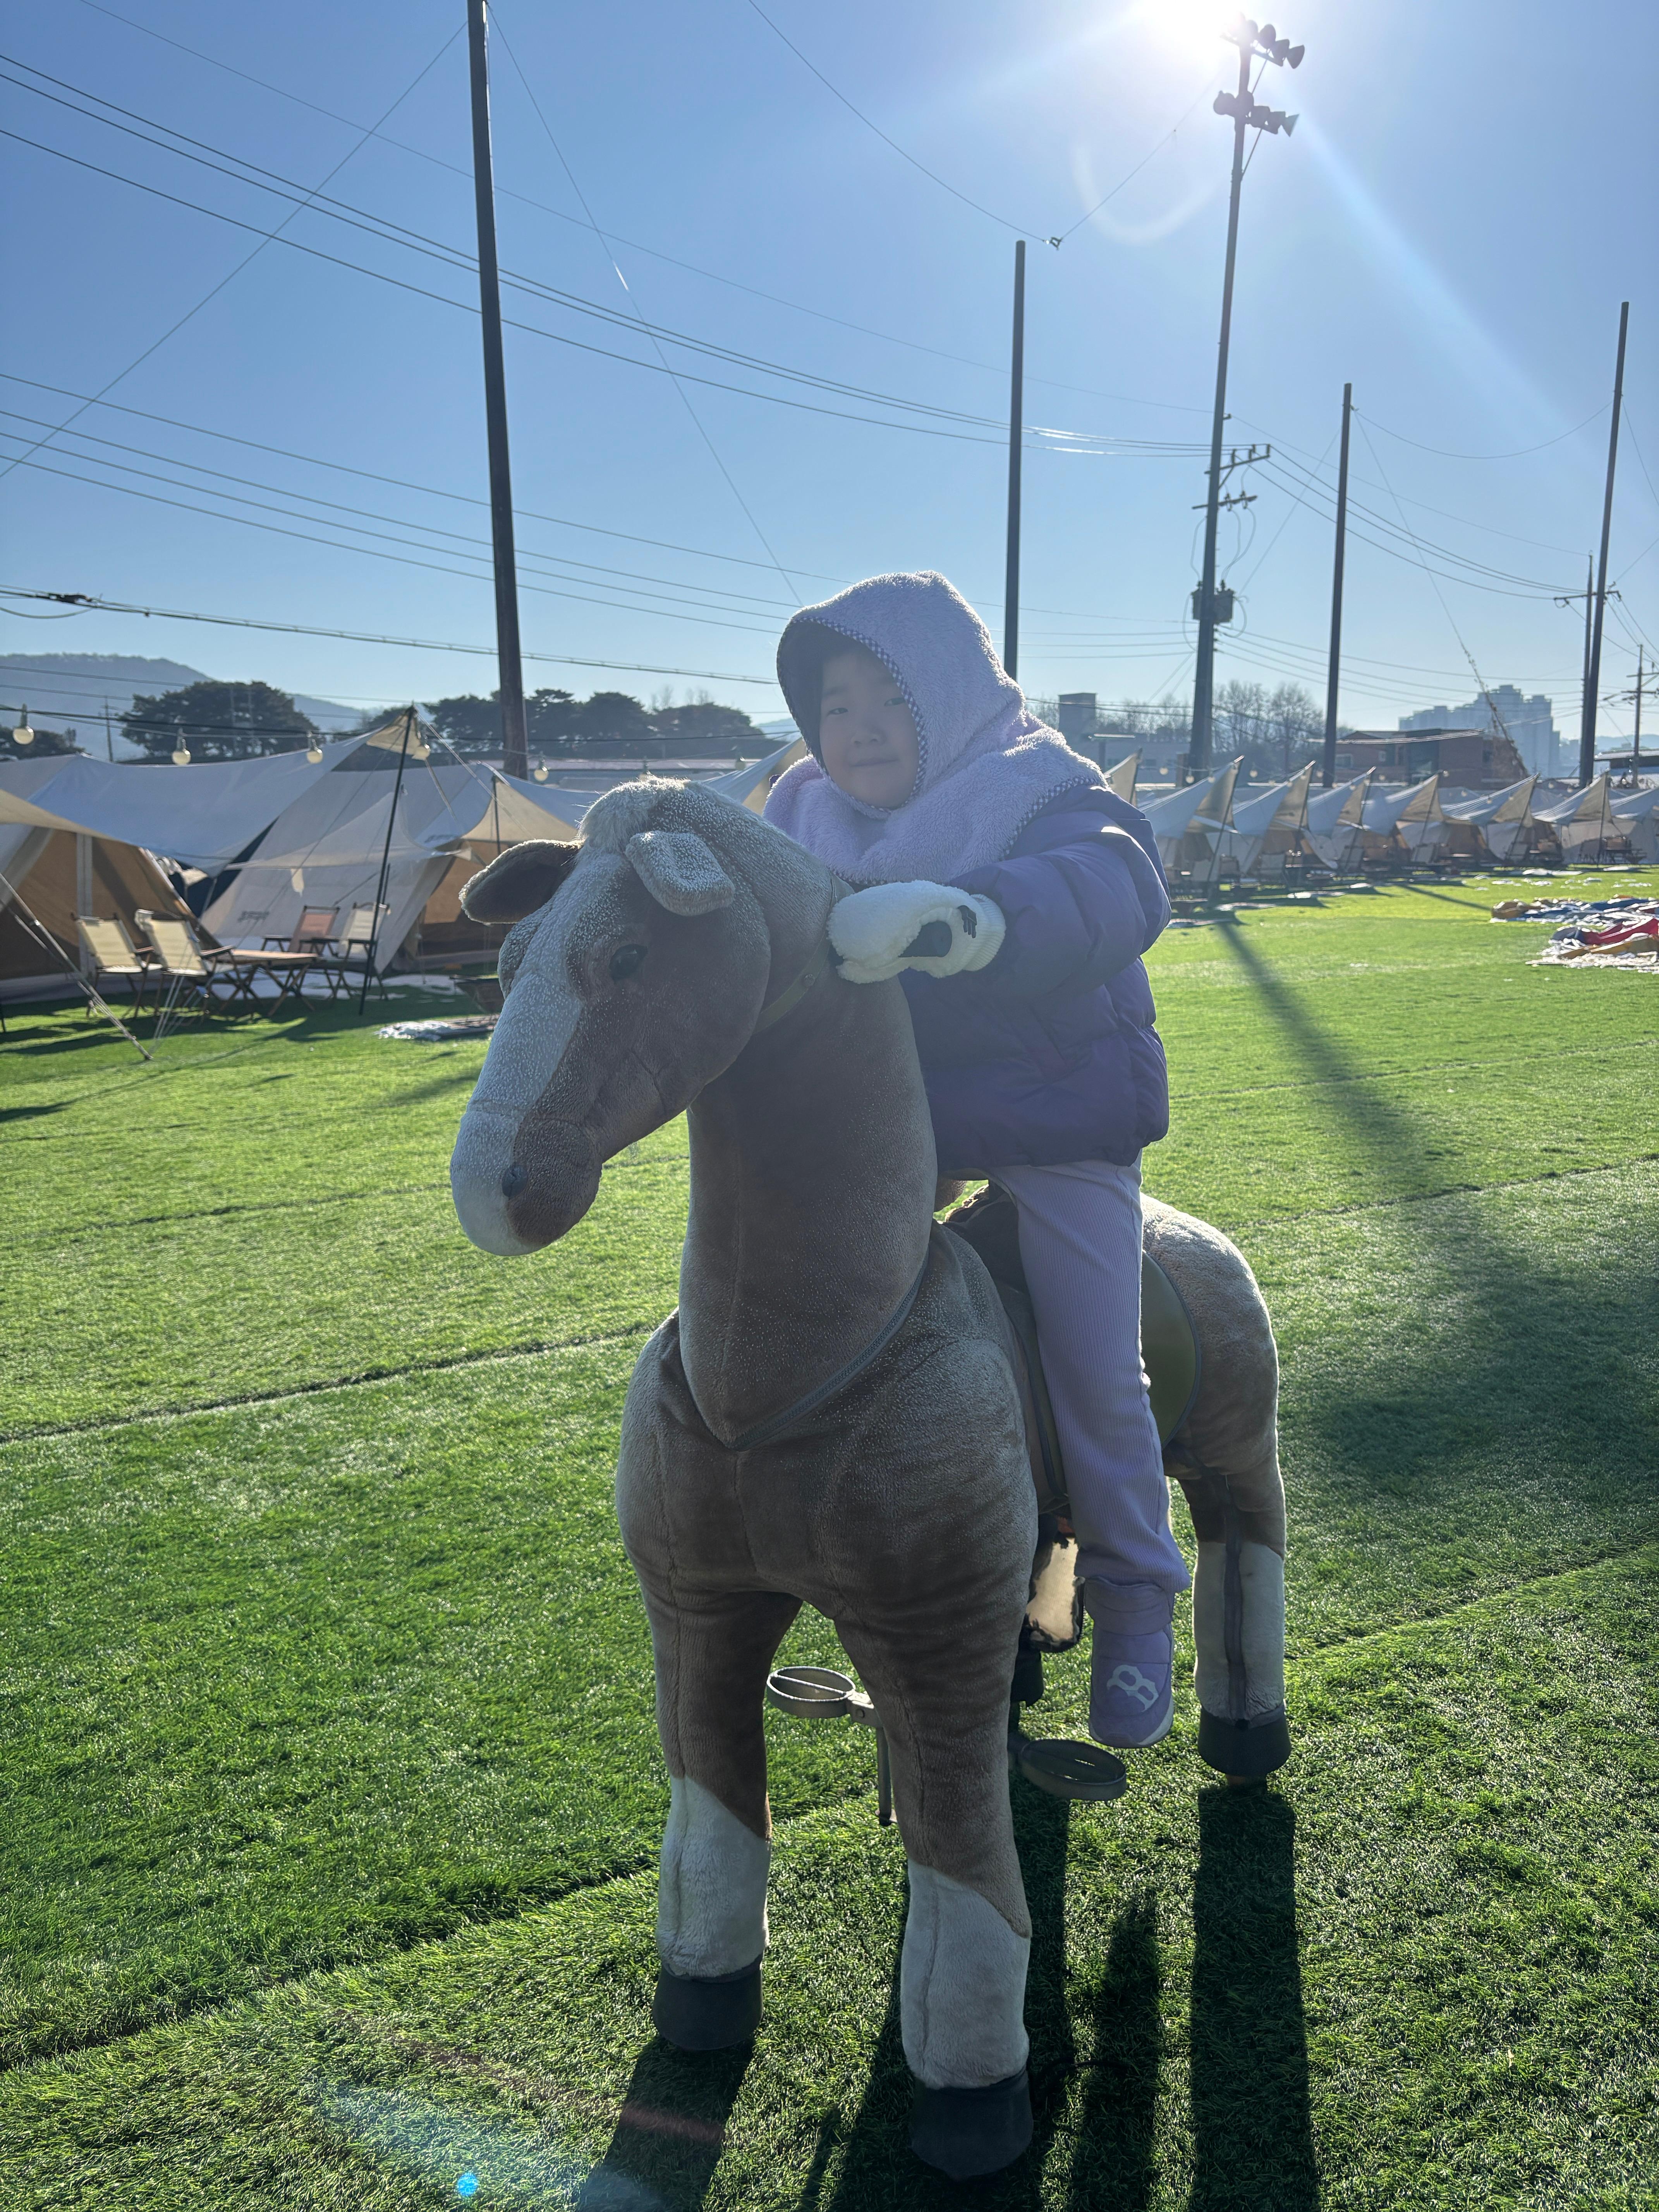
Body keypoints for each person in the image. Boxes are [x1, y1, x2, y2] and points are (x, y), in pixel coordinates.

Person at [765, 570, 1187, 1750]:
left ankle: (1135, 1593)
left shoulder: (1037, 788)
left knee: (1096, 1366)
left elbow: (1114, 885)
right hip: (905, 1121)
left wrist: (970, 921)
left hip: (1060, 1112)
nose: (855, 729)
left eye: (883, 698)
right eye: (832, 706)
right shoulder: (802, 816)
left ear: (947, 695)